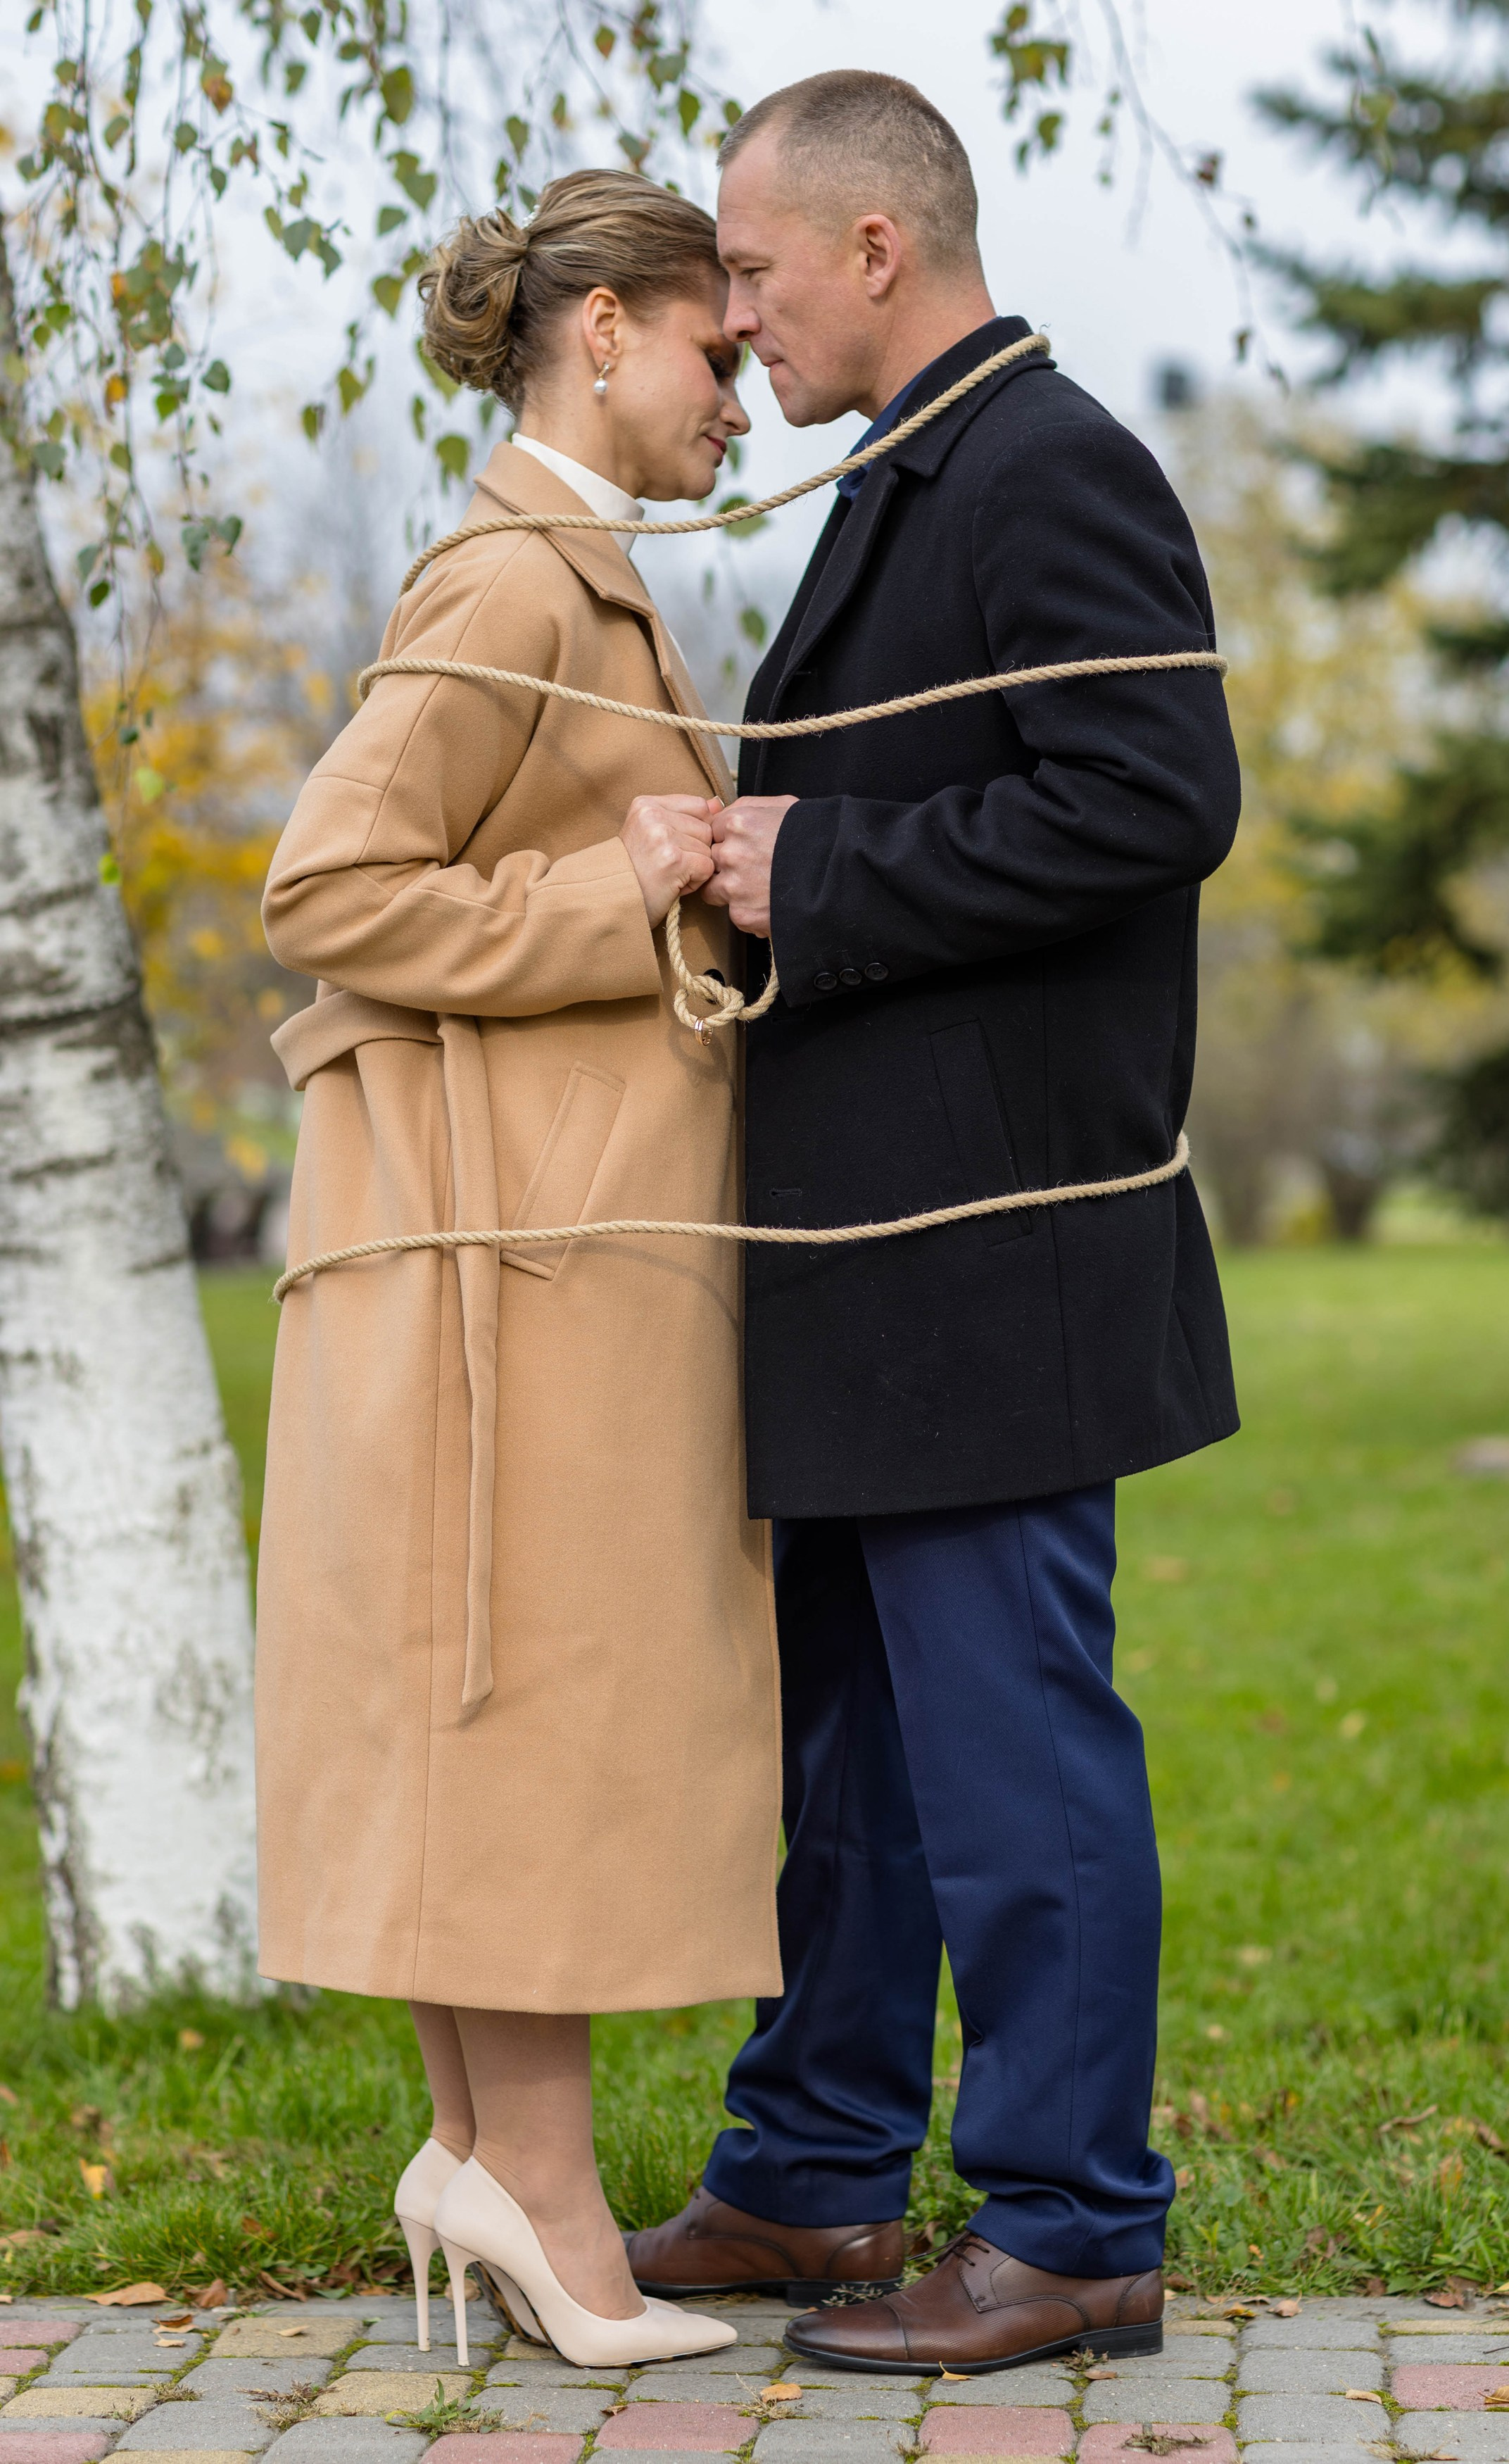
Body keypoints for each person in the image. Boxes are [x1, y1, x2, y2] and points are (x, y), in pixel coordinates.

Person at [624, 75, 1242, 2372]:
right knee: (852, 1769)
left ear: (881, 249)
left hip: (1001, 1257)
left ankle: (1077, 2217)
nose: (741, 321)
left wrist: (824, 869)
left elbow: (1158, 792)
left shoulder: (1050, 460)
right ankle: (814, 2173)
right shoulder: (912, 472)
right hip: (873, 1272)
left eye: (760, 277)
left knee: (1013, 1758)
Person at [254, 168, 781, 2370]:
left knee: (501, 1708)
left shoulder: (575, 578)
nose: (739, 399)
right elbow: (324, 883)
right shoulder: (512, 579)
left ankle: (493, 2163)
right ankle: (539, 2197)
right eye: (715, 353)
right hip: (515, 1264)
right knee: (529, 1705)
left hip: (531, 1250)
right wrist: (630, 888)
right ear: (603, 334)